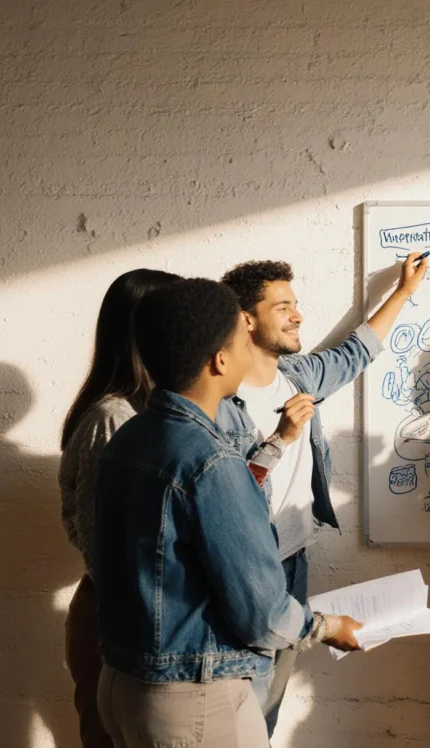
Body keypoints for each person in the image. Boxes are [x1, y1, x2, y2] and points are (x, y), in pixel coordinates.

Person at [93, 278, 364, 748]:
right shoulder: (211, 459)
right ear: (220, 360)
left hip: (124, 681)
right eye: (242, 341)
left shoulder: (129, 436)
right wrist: (325, 626)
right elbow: (261, 611)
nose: (248, 353)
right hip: (190, 698)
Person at [218, 252, 428, 735]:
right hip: (248, 566)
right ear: (246, 319)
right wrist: (281, 439)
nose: (298, 315)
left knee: (268, 704)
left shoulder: (299, 376)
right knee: (239, 704)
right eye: (283, 306)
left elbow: (359, 351)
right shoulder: (220, 402)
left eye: (297, 303)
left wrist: (402, 292)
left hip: (292, 560)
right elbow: (221, 498)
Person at [59, 268, 180, 748]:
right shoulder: (112, 417)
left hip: (142, 617)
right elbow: (97, 538)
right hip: (120, 620)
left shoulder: (153, 411)